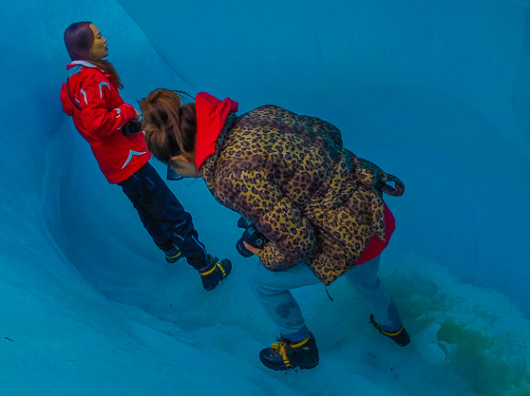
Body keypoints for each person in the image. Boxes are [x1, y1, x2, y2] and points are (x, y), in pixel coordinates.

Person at [139, 89, 411, 371]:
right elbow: (329, 132)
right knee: (366, 280)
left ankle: (299, 346)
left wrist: (266, 253)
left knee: (261, 281)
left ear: (181, 158)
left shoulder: (229, 176)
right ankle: (393, 327)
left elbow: (297, 241)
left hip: (345, 239)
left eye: (174, 169)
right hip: (372, 212)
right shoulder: (259, 115)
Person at [59, 23, 230, 291]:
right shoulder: (91, 80)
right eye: (98, 36)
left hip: (117, 163)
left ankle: (169, 248)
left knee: (147, 208)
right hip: (129, 160)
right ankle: (207, 267)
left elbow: (74, 110)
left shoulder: (75, 80)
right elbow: (95, 123)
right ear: (84, 46)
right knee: (173, 213)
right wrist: (125, 113)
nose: (104, 38)